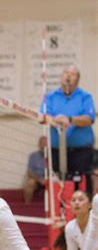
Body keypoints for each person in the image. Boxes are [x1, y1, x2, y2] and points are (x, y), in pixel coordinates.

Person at [44, 65, 95, 195]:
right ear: (61, 76)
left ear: (77, 79)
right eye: (66, 73)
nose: (68, 76)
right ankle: (59, 213)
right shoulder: (50, 96)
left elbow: (89, 118)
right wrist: (56, 120)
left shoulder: (85, 96)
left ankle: (85, 213)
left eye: (73, 74)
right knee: (58, 184)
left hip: (80, 152)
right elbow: (44, 116)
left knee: (81, 185)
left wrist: (69, 119)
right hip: (56, 150)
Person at [23, 136, 47, 204]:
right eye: (42, 144)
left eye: (45, 144)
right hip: (37, 179)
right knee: (30, 182)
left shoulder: (52, 156)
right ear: (39, 144)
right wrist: (40, 180)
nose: (44, 146)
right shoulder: (33, 156)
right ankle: (27, 205)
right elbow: (29, 172)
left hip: (49, 179)